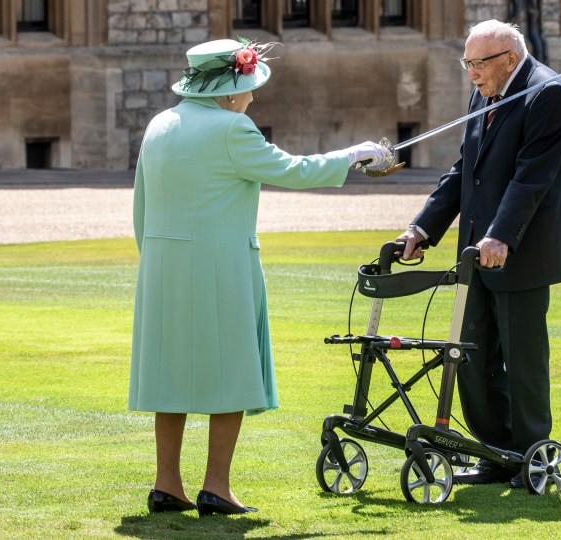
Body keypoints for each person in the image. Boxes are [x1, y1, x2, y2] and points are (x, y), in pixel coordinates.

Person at [128, 38, 391, 517]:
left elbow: (141, 206)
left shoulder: (159, 124)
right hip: (220, 264)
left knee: (170, 377)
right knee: (230, 371)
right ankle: (216, 486)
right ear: (229, 91)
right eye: (248, 88)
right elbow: (292, 169)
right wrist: (356, 153)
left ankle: (167, 483)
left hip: (163, 269)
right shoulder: (233, 128)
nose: (252, 96)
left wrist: (156, 261)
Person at [395, 20, 561, 489]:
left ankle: (531, 455)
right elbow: (466, 170)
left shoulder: (546, 94)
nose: (472, 73)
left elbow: (532, 177)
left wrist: (501, 236)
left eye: (480, 63)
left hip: (522, 249)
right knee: (469, 355)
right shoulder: (485, 90)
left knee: (523, 359)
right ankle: (494, 452)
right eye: (468, 63)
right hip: (473, 252)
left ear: (510, 59)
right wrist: (422, 227)